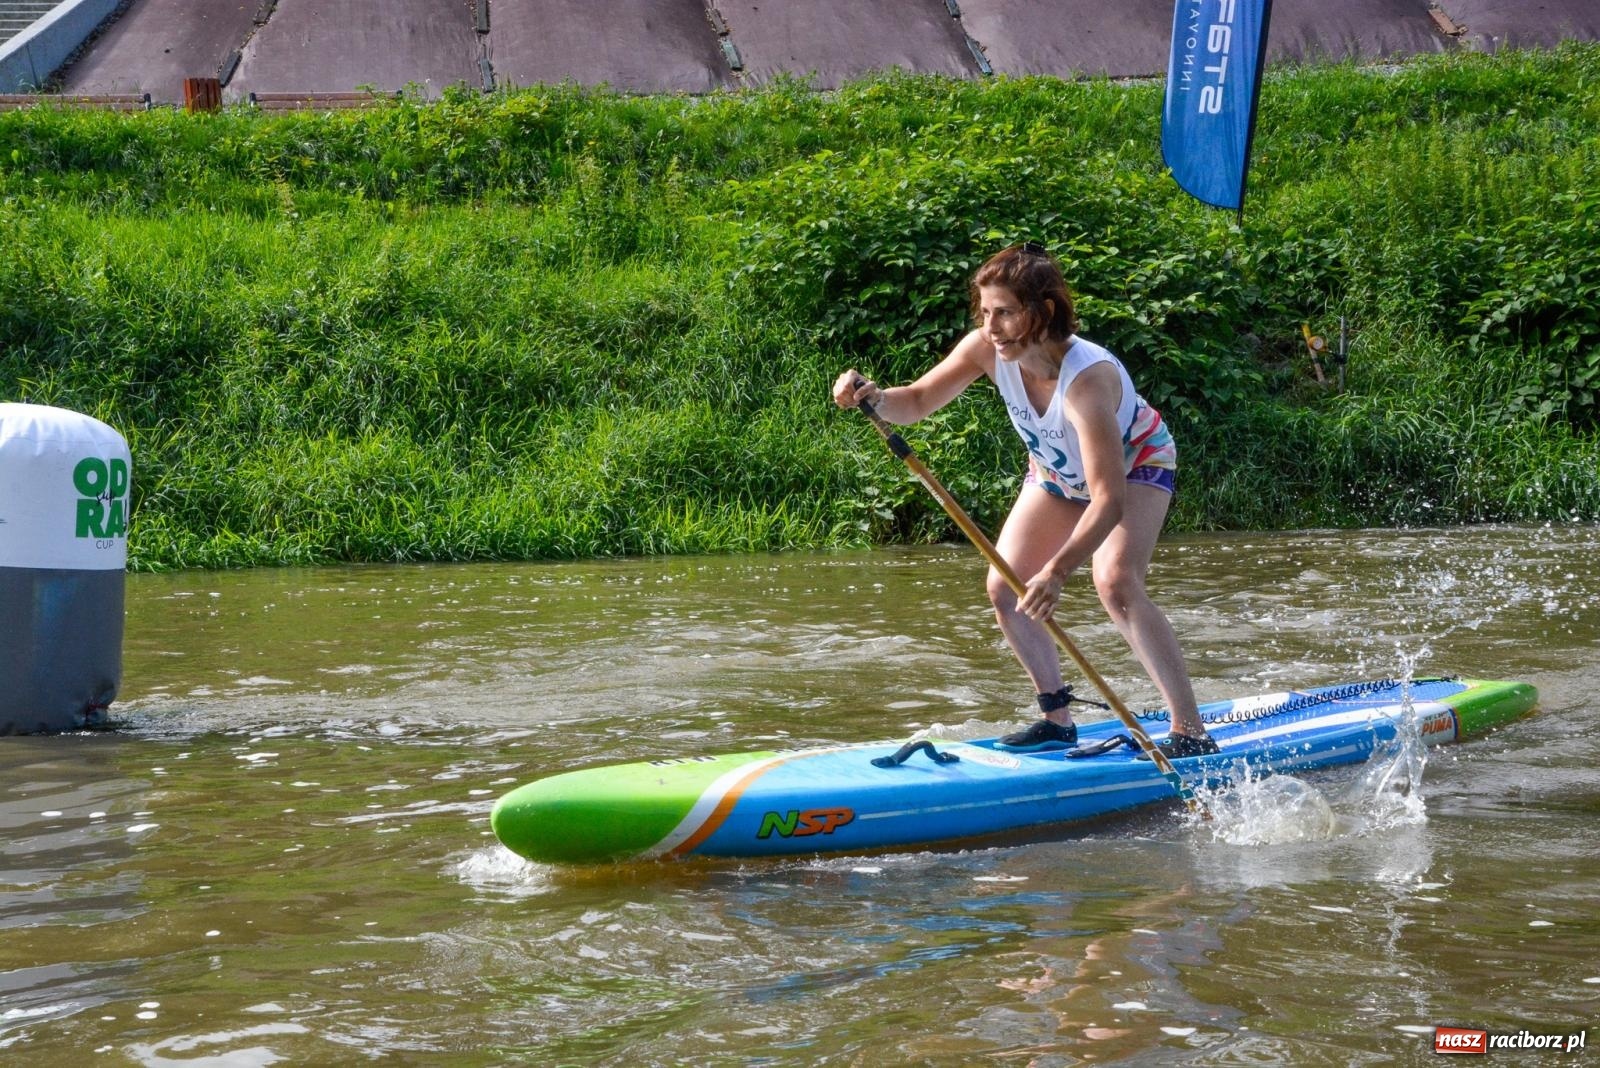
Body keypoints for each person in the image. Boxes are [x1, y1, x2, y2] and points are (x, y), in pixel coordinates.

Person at [832, 242, 1217, 758]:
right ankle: (1057, 719)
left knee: (1116, 582)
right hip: (1057, 474)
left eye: (1006, 313)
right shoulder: (984, 350)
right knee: (1005, 587)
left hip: (1134, 465)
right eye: (986, 312)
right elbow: (918, 401)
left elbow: (1107, 501)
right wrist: (874, 397)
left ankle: (1190, 731)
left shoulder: (1087, 382)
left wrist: (1056, 573)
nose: (992, 327)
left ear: (1045, 312)